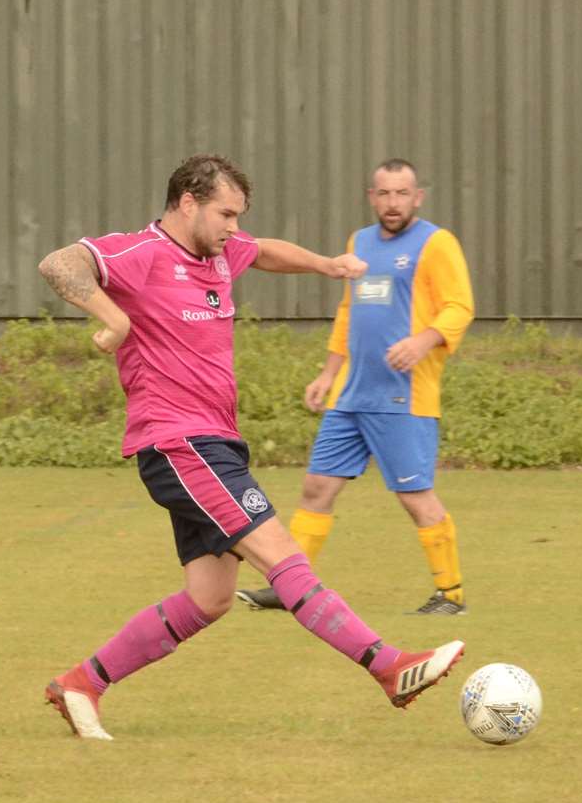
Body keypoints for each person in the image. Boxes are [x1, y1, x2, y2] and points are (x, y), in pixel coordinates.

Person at [38, 153, 464, 740]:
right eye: (225, 214)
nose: (234, 228)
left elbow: (264, 251)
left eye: (239, 216)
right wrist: (116, 319)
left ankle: (82, 683)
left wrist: (327, 264)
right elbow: (59, 264)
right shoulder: (140, 253)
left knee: (209, 598)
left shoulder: (220, 251)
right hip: (179, 443)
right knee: (281, 552)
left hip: (216, 444)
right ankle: (389, 667)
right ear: (187, 202)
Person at [236, 158, 475, 616]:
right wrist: (328, 373)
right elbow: (349, 313)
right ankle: (293, 588)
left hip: (403, 397)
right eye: (383, 193)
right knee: (316, 487)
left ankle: (451, 594)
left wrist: (423, 341)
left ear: (417, 196)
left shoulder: (435, 243)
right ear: (371, 196)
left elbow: (459, 306)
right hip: (351, 395)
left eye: (401, 193)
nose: (392, 203)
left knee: (413, 495)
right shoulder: (359, 243)